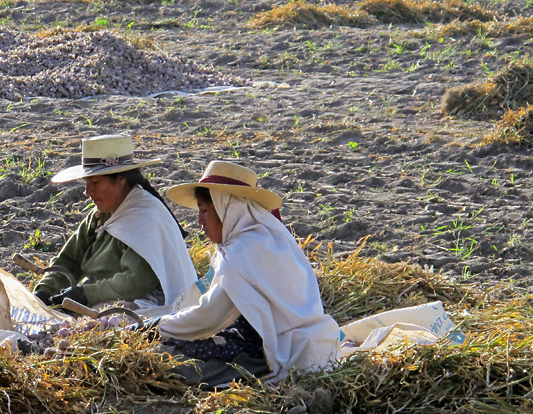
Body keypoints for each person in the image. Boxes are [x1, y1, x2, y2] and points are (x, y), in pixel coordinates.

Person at [154, 160, 342, 388]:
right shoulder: (265, 239)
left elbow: (209, 317)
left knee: (167, 366)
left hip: (276, 353)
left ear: (227, 209)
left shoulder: (242, 252)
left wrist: (156, 327)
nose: (199, 221)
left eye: (204, 211)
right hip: (295, 344)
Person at [33, 133, 197, 310]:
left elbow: (135, 281)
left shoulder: (146, 218)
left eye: (94, 182)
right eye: (86, 183)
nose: (88, 192)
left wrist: (86, 294)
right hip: (103, 295)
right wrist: (44, 291)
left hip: (144, 303)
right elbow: (69, 259)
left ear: (120, 180)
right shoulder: (101, 217)